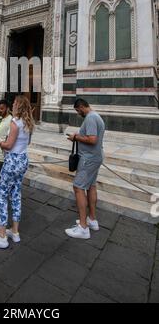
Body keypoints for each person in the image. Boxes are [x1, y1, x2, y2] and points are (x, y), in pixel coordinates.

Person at [0, 95, 34, 249]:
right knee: (16, 194)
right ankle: (15, 231)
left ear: (18, 106)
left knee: (1, 195)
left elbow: (8, 145)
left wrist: (1, 142)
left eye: (14, 103)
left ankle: (1, 235)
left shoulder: (15, 123)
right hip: (23, 160)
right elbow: (27, 142)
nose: (12, 105)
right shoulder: (29, 123)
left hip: (12, 161)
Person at [65, 99, 105, 240]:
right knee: (91, 186)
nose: (78, 113)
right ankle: (92, 220)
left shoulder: (90, 118)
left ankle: (83, 227)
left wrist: (76, 137)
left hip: (88, 159)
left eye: (77, 110)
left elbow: (92, 139)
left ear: (81, 107)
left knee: (78, 187)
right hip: (95, 157)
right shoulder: (96, 116)